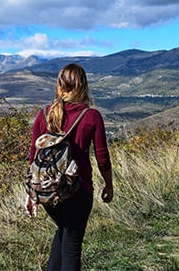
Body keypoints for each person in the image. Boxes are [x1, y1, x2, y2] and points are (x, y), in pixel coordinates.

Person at [25, 63, 113, 271]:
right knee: (72, 248)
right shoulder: (91, 116)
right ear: (83, 85)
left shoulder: (44, 113)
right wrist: (109, 186)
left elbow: (33, 156)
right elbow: (102, 157)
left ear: (59, 85)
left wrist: (31, 193)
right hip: (78, 191)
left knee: (63, 235)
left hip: (48, 191)